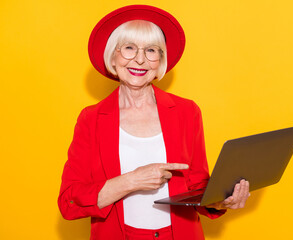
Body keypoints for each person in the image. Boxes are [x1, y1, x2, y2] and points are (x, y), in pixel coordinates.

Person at [58, 5, 250, 240]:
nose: (140, 60)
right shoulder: (91, 118)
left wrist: (220, 201)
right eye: (129, 48)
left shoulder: (186, 111)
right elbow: (69, 201)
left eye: (151, 50)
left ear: (160, 59)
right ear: (113, 56)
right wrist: (131, 180)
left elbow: (198, 188)